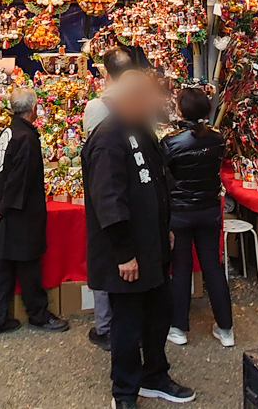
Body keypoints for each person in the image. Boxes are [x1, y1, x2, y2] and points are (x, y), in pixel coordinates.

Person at [83, 69, 195, 408]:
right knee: (128, 325)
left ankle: (154, 375)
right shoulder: (106, 138)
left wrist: (168, 228)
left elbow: (162, 181)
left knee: (158, 314)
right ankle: (125, 390)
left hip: (154, 244)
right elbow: (109, 200)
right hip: (129, 252)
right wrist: (123, 253)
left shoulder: (141, 131)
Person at [0, 87, 70, 337]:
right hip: (21, 213)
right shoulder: (26, 138)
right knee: (29, 266)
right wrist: (5, 205)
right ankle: (38, 315)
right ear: (34, 109)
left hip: (4, 209)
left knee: (2, 267)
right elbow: (20, 180)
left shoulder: (6, 133)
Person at [85, 45, 148, 351]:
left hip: (123, 205)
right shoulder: (108, 124)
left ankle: (111, 326)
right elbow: (105, 178)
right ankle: (108, 326)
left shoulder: (102, 111)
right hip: (116, 206)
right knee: (113, 266)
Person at [162, 86, 234, 347]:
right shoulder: (218, 138)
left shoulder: (170, 141)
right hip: (208, 209)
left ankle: (179, 327)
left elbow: (165, 176)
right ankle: (226, 329)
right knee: (212, 267)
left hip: (180, 212)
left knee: (180, 268)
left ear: (181, 110)